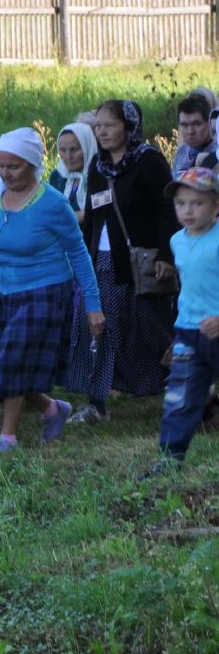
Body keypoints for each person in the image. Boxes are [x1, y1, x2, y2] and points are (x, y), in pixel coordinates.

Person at [0, 129, 103, 453]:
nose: (5, 173)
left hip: (45, 292)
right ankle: (53, 409)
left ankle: (7, 438)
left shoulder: (52, 204)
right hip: (7, 293)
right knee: (4, 364)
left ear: (32, 165)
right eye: (1, 166)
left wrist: (93, 304)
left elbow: (79, 253)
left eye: (13, 167)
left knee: (14, 359)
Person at [65, 100, 179, 424]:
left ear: (129, 128)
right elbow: (92, 214)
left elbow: (167, 209)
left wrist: (166, 255)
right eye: (98, 126)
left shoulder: (149, 161)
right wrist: (84, 259)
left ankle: (192, 392)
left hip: (142, 263)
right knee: (97, 327)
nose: (102, 132)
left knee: (152, 328)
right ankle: (97, 404)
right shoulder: (98, 165)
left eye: (110, 125)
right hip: (103, 261)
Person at [148, 168, 219, 475]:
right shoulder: (177, 240)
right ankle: (170, 459)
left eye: (197, 203)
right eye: (181, 204)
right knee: (181, 395)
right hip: (189, 331)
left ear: (216, 205)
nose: (188, 211)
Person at [47, 123, 96, 221]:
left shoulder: (101, 177)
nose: (68, 156)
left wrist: (68, 218)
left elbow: (101, 210)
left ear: (87, 148)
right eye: (62, 150)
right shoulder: (57, 176)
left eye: (74, 150)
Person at [172, 93, 216, 176]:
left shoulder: (216, 154)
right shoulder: (182, 152)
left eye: (197, 124)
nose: (190, 131)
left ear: (209, 123)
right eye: (184, 125)